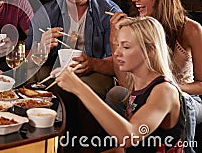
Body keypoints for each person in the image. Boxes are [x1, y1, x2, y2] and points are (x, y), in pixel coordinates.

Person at [107, 0, 202, 152]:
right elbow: (126, 84)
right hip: (145, 94)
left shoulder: (192, 30)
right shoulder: (137, 27)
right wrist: (114, 39)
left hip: (187, 97)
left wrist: (168, 88)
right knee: (115, 94)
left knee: (185, 103)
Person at [57, 16, 185, 152]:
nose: (117, 53)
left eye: (126, 46)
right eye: (117, 45)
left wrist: (79, 87)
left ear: (150, 50)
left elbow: (129, 137)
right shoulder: (139, 87)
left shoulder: (164, 91)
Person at [26, 0, 121, 97]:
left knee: (90, 86)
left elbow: (119, 63)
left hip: (94, 73)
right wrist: (40, 49)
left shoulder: (108, 12)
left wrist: (92, 63)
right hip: (55, 69)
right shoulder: (47, 13)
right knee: (32, 77)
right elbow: (25, 59)